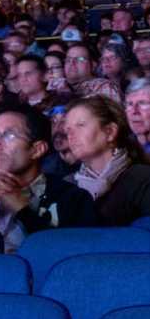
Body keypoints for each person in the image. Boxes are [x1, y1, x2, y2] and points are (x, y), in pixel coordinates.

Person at [0, 104, 98, 252]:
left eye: (9, 135)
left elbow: (72, 256)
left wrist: (21, 209)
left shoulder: (71, 198)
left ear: (37, 150)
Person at [64, 96, 150, 225]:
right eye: (68, 130)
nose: (71, 135)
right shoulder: (67, 185)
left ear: (110, 132)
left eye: (80, 125)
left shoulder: (142, 178)